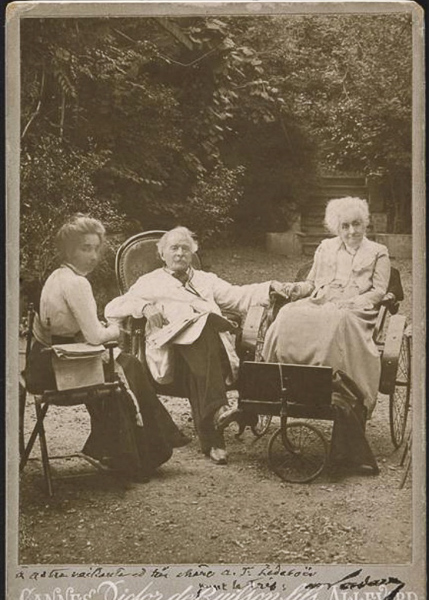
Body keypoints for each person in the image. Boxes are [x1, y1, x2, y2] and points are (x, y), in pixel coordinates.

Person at [25, 214, 189, 482]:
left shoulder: (58, 275)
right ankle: (138, 456)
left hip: (42, 362)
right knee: (127, 367)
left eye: (95, 248)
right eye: (84, 248)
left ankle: (126, 449)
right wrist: (116, 329)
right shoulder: (77, 283)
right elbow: (96, 336)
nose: (92, 255)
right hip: (58, 370)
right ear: (69, 250)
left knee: (126, 365)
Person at [105, 226, 286, 465]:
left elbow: (238, 296)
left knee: (204, 329)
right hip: (172, 355)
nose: (179, 253)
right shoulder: (149, 283)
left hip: (207, 357)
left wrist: (270, 287)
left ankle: (214, 434)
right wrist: (144, 308)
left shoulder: (206, 280)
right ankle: (218, 415)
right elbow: (112, 308)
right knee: (202, 331)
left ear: (193, 254)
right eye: (174, 248)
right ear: (162, 254)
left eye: (185, 248)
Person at [263, 197, 391, 416]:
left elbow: (379, 291)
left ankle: (330, 386)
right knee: (286, 314)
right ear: (337, 228)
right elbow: (311, 283)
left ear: (365, 224)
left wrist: (354, 301)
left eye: (356, 224)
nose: (351, 231)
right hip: (320, 301)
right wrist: (292, 289)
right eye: (345, 226)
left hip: (356, 308)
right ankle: (279, 380)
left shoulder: (378, 251)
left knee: (337, 320)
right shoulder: (326, 247)